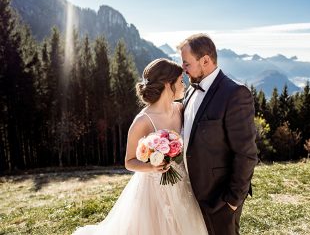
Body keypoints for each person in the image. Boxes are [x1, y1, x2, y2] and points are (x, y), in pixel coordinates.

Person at [72, 58, 208, 235]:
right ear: (168, 84)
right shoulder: (143, 121)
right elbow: (129, 162)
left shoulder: (180, 109)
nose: (184, 85)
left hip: (182, 183)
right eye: (180, 81)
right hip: (153, 190)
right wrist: (152, 166)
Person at [178, 34, 258, 235]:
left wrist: (232, 201)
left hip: (219, 201)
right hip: (191, 196)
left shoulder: (235, 94)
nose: (183, 69)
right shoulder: (189, 92)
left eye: (186, 63)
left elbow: (246, 153)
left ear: (205, 60)